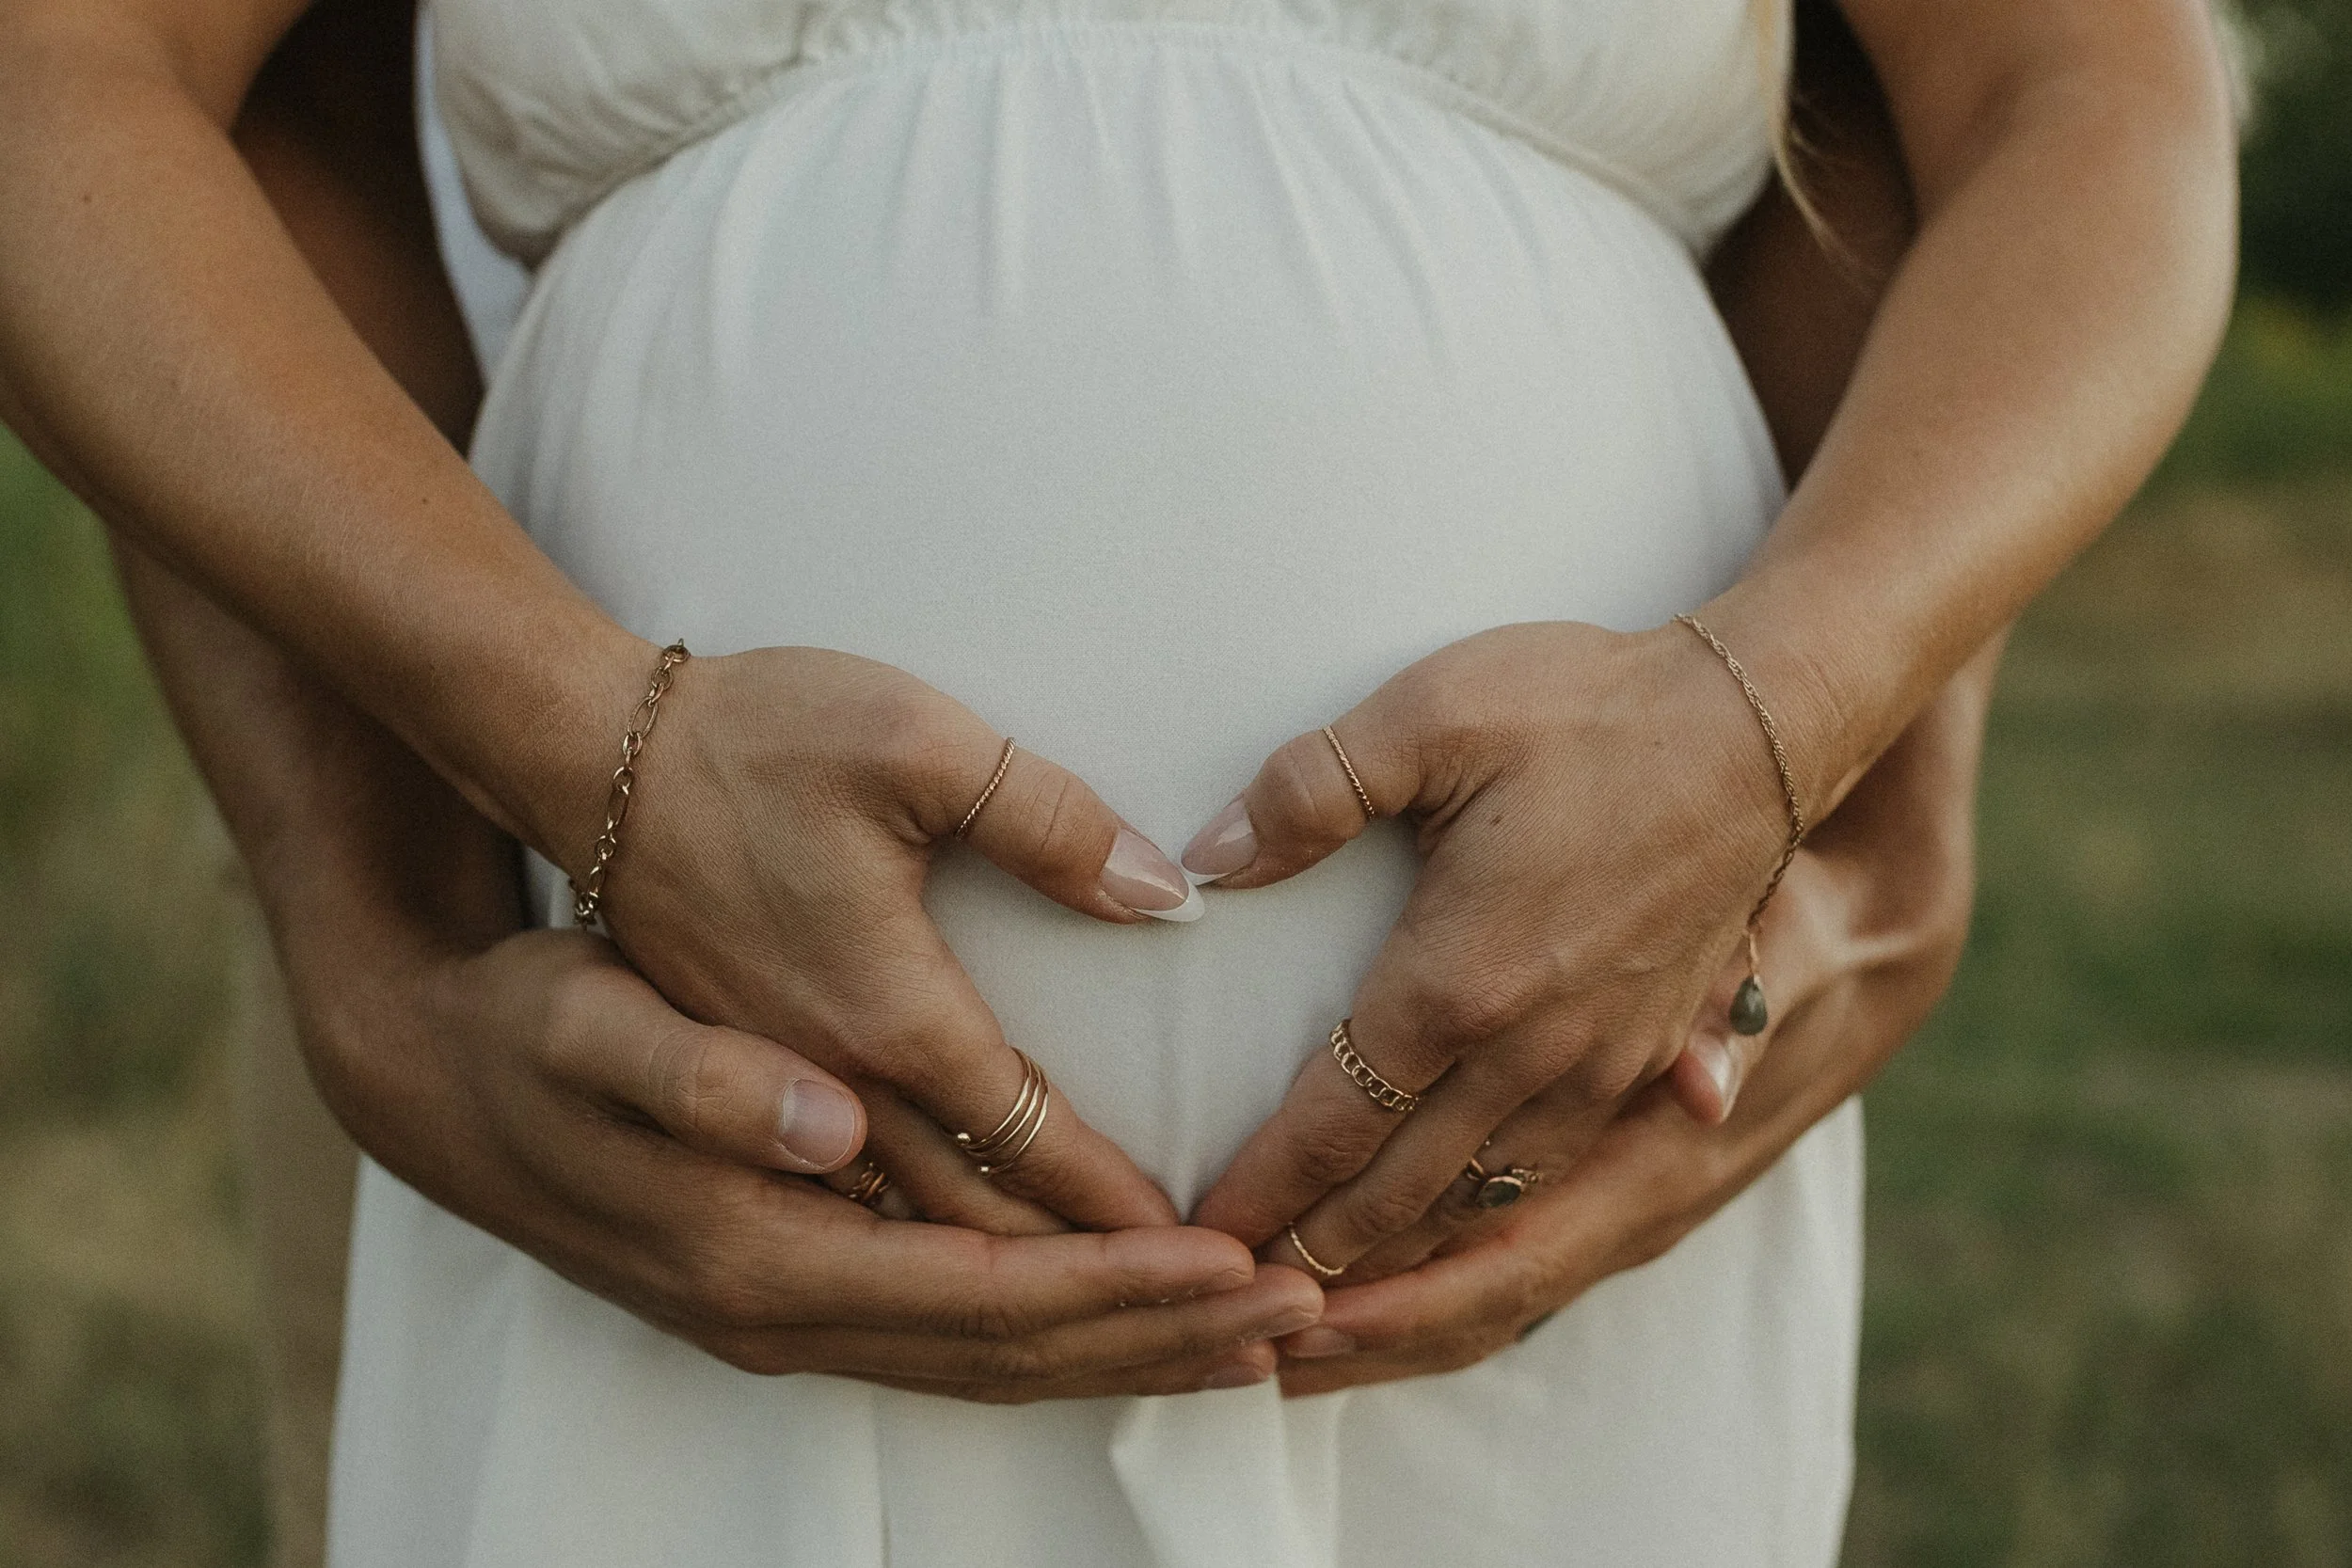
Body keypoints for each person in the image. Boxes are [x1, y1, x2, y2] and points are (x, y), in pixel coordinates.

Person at [0, 0, 2233, 1561]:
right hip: (650, 1134)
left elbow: (2063, 91)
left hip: (1565, 1130)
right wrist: (449, 858)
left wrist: (1817, 742)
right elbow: (90, 72)